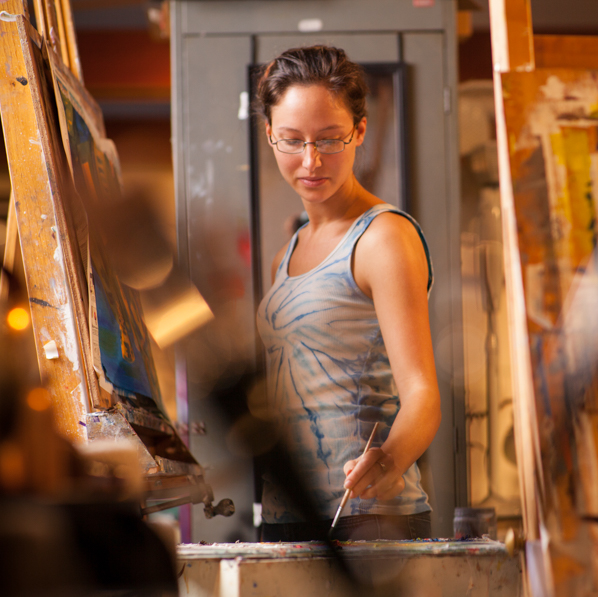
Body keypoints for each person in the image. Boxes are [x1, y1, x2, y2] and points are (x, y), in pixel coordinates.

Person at [254, 45, 440, 542]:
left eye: (330, 140)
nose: (311, 161)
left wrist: (391, 459)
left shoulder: (382, 238)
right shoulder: (287, 252)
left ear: (359, 131)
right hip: (286, 518)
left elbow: (422, 395)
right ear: (269, 135)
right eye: (291, 140)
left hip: (366, 520)